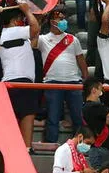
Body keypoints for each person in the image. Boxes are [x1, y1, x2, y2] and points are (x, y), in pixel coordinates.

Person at [37, 9, 88, 142]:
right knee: (53, 118)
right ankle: (51, 145)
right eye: (60, 19)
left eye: (63, 18)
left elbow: (81, 59)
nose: (63, 21)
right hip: (52, 82)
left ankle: (77, 146)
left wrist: (86, 77)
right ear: (52, 22)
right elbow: (32, 36)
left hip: (74, 82)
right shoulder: (42, 40)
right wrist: (40, 20)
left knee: (78, 117)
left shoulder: (73, 39)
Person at [0, 4, 40, 150]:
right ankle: (25, 149)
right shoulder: (14, 31)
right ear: (15, 20)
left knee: (22, 115)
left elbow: (34, 40)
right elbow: (35, 30)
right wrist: (27, 11)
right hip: (19, 82)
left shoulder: (13, 34)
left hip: (15, 82)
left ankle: (14, 149)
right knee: (27, 115)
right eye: (21, 18)